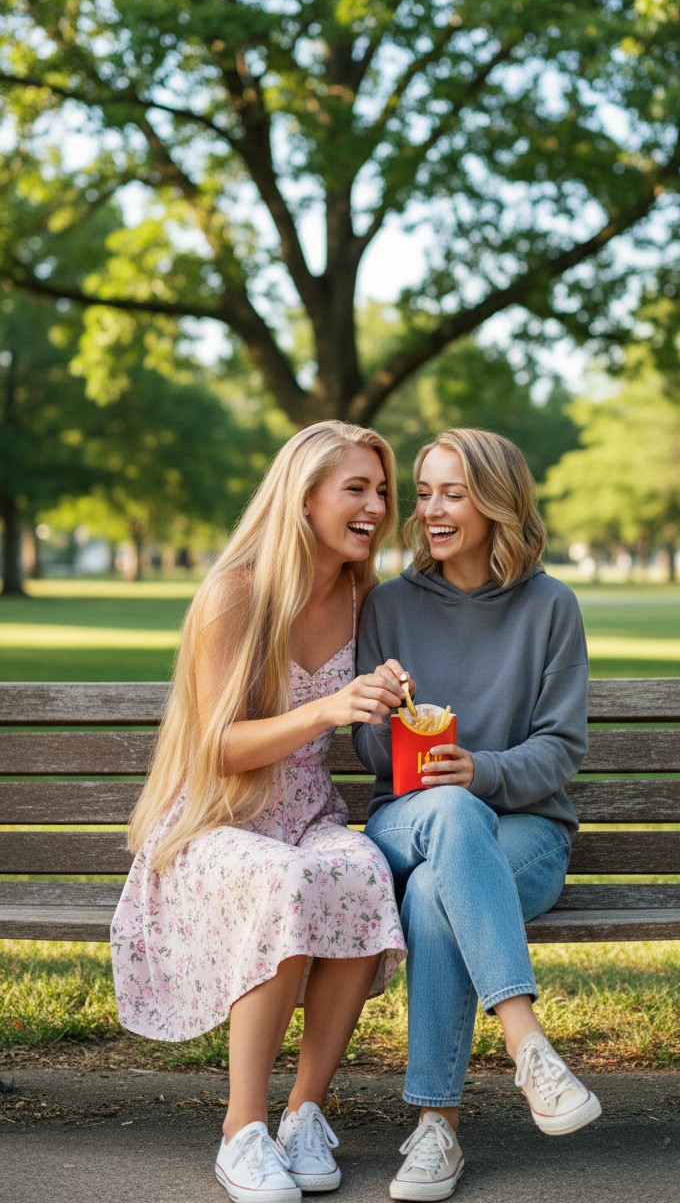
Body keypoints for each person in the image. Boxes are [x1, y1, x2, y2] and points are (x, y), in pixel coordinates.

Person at [111, 421, 407, 1203]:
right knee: (283, 879)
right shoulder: (234, 595)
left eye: (382, 491)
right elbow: (217, 749)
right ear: (303, 497)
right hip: (215, 825)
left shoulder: (366, 598)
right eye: (356, 489)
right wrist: (329, 708)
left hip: (307, 816)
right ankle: (241, 1129)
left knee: (362, 868)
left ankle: (303, 1115)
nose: (376, 506)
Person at [353, 427, 601, 1202]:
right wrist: (384, 713)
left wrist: (481, 769)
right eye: (423, 492)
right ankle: (528, 1046)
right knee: (448, 822)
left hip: (526, 833)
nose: (430, 510)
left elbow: (561, 748)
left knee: (437, 892)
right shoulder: (387, 606)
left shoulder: (551, 606)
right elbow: (369, 754)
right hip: (406, 821)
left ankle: (437, 1128)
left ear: (497, 503)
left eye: (452, 494)